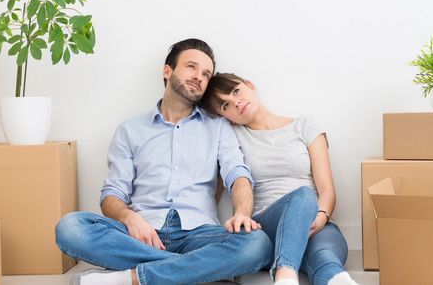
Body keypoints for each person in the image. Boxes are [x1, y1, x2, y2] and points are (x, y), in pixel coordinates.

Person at [55, 39, 272, 285]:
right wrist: (129, 218)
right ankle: (197, 271)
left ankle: (133, 278)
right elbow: (112, 195)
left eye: (205, 74)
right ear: (167, 71)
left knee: (257, 243)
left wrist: (242, 214)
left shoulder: (219, 127)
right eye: (191, 67)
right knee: (70, 227)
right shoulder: (130, 130)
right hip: (140, 234)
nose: (199, 77)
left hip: (200, 235)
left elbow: (238, 175)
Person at [200, 73, 359, 285]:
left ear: (250, 85)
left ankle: (336, 279)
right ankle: (285, 275)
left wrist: (320, 218)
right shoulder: (232, 137)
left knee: (326, 257)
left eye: (236, 91)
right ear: (225, 116)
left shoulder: (305, 125)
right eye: (225, 106)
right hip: (267, 229)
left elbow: (326, 189)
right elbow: (215, 187)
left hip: (316, 221)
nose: (236, 102)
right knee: (302, 195)